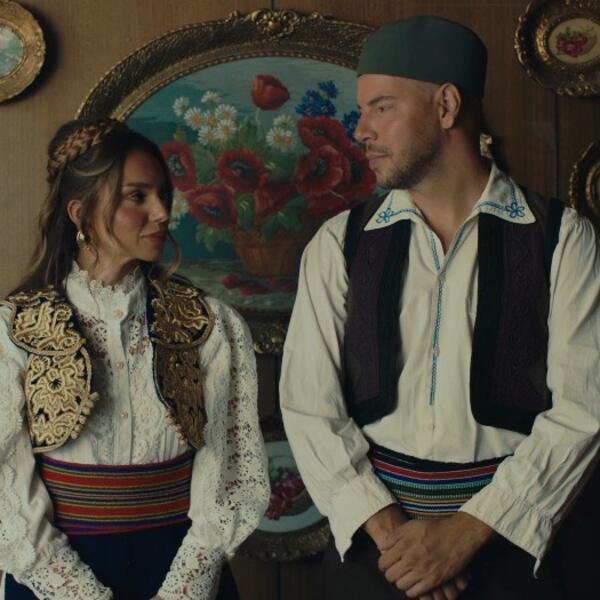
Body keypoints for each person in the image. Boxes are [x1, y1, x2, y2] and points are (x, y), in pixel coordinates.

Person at [280, 15, 600, 600]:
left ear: (447, 105)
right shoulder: (338, 243)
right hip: (376, 559)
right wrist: (397, 540)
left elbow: (586, 408)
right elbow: (308, 406)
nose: (361, 130)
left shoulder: (563, 239)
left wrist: (467, 533)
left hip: (515, 559)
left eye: (381, 107)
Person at [0, 118, 269, 600]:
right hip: (56, 580)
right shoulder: (14, 330)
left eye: (163, 195)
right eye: (137, 197)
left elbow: (230, 475)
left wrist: (183, 589)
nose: (163, 213)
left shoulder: (209, 325)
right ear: (81, 212)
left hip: (181, 570)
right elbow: (5, 488)